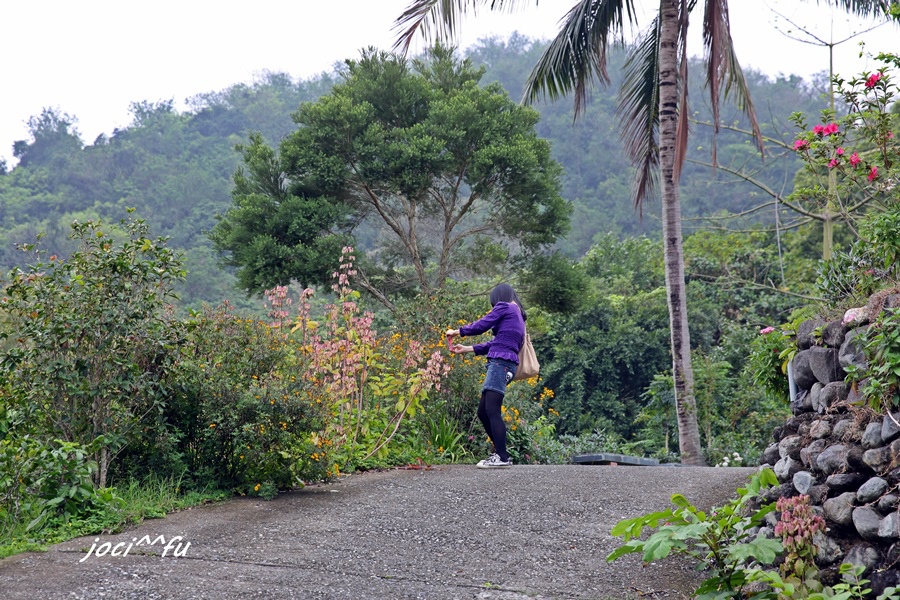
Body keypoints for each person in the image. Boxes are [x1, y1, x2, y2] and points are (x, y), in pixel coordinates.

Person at [446, 283, 525, 468]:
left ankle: (502, 457)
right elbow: (496, 343)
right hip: (505, 364)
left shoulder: (505, 306)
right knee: (483, 412)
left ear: (498, 298)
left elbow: (482, 325)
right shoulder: (518, 315)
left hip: (500, 364)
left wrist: (457, 331)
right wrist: (466, 349)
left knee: (492, 410)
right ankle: (501, 454)